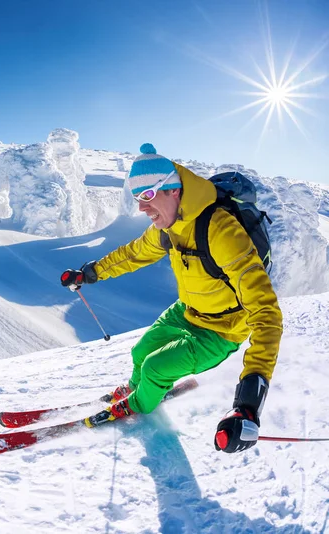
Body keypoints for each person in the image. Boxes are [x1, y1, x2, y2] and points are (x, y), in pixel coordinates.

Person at [61, 143, 283, 453]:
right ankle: (140, 390)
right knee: (141, 353)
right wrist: (90, 273)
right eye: (138, 198)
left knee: (154, 367)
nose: (141, 207)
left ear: (174, 190)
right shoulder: (169, 224)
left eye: (148, 196)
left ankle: (138, 404)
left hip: (222, 329)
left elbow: (267, 313)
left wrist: (248, 403)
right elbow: (134, 253)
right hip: (188, 311)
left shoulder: (221, 230)